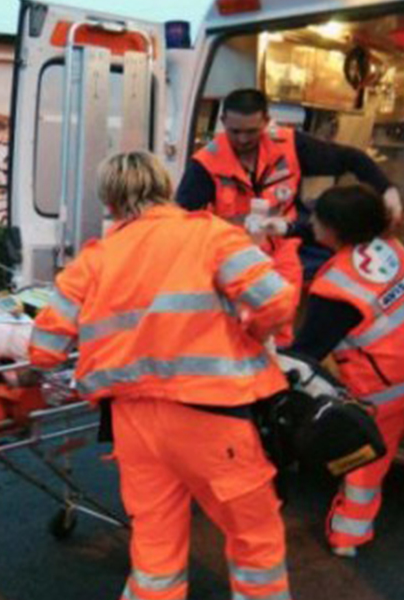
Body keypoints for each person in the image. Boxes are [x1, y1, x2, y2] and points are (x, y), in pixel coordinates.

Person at [30, 151, 297, 600]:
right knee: (255, 536)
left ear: (110, 203)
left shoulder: (95, 260)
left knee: (155, 548)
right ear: (165, 188)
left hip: (133, 424)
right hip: (211, 415)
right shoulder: (211, 236)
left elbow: (42, 350)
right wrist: (251, 332)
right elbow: (277, 302)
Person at [289, 184, 404, 558]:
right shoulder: (388, 244)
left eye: (316, 217)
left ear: (334, 229)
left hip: (388, 385)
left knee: (365, 457)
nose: (311, 223)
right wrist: (287, 229)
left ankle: (349, 535)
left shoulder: (335, 288)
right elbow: (323, 230)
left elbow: (306, 355)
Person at [177, 88, 403, 285]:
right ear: (224, 121)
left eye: (251, 131)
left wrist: (388, 191)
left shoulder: (289, 145)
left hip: (286, 254)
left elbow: (352, 159)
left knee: (282, 326)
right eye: (235, 131)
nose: (243, 139)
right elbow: (183, 222)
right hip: (235, 261)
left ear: (266, 121)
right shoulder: (206, 163)